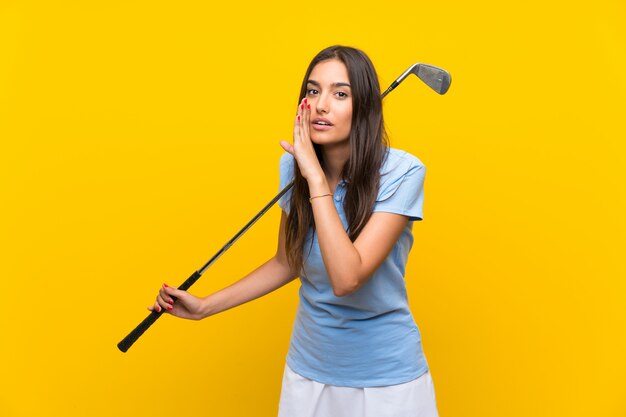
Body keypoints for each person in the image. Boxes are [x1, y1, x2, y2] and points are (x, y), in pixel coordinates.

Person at [148, 45, 440, 417]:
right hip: (308, 373)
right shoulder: (294, 167)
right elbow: (289, 261)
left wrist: (315, 177)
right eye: (313, 90)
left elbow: (347, 278)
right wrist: (206, 306)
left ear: (364, 107)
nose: (321, 105)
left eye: (340, 94)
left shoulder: (401, 172)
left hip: (387, 381)